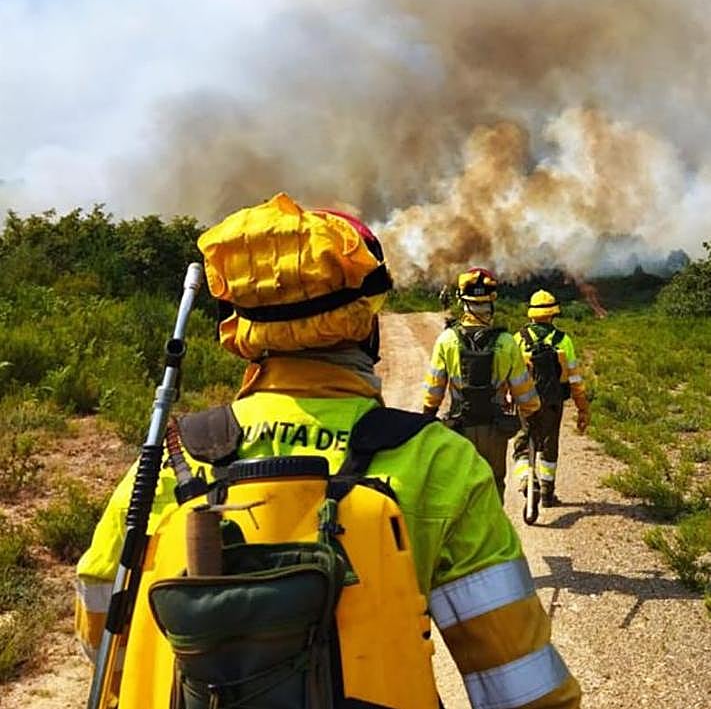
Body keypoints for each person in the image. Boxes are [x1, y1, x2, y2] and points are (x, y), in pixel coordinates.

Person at [76, 193, 580, 708]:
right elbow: (524, 687)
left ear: (242, 329)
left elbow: (103, 613)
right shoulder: (438, 462)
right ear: (365, 323)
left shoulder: (175, 456)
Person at [422, 267, 541, 501]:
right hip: (494, 429)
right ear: (491, 302)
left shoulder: (447, 339)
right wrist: (532, 416)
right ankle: (492, 533)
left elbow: (434, 390)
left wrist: (427, 417)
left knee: (460, 487)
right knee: (493, 484)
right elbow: (524, 393)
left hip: (458, 428)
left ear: (462, 301)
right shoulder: (506, 342)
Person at [512, 289, 591, 507]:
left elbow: (508, 373)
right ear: (553, 314)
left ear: (531, 313)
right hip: (553, 403)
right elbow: (574, 379)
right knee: (549, 446)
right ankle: (547, 494)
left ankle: (528, 480)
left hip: (525, 403)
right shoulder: (564, 340)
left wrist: (506, 398)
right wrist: (583, 407)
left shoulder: (518, 339)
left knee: (522, 445)